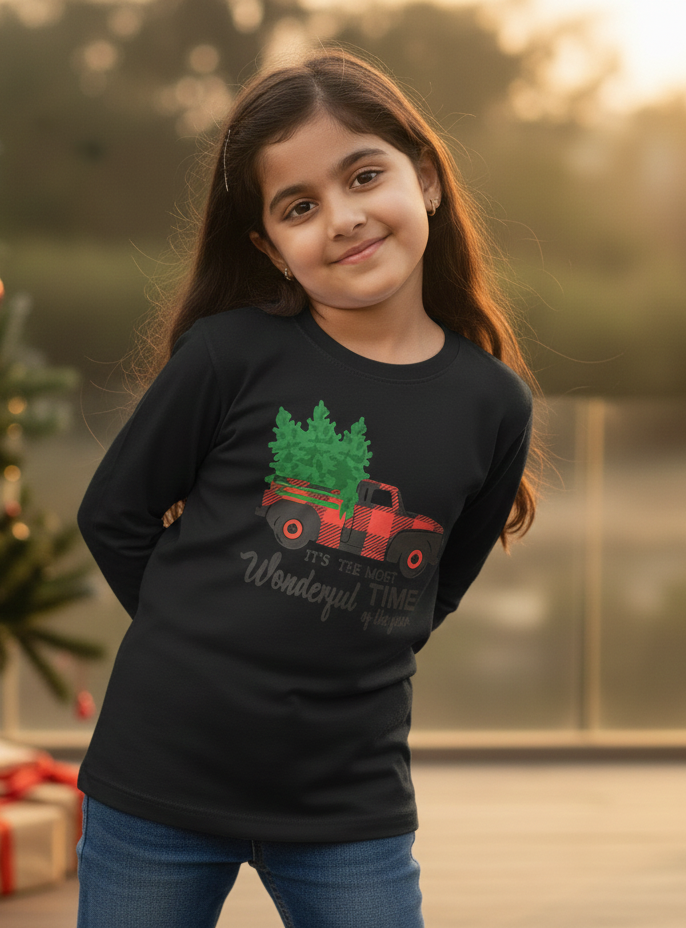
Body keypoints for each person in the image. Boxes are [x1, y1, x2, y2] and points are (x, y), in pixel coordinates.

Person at [75, 47, 540, 928]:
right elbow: (115, 514)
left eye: (365, 175)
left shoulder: (492, 402)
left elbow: (431, 588)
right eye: (299, 206)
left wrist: (335, 640)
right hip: (158, 782)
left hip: (346, 805)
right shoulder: (228, 356)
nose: (343, 218)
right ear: (269, 248)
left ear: (427, 179)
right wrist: (197, 639)